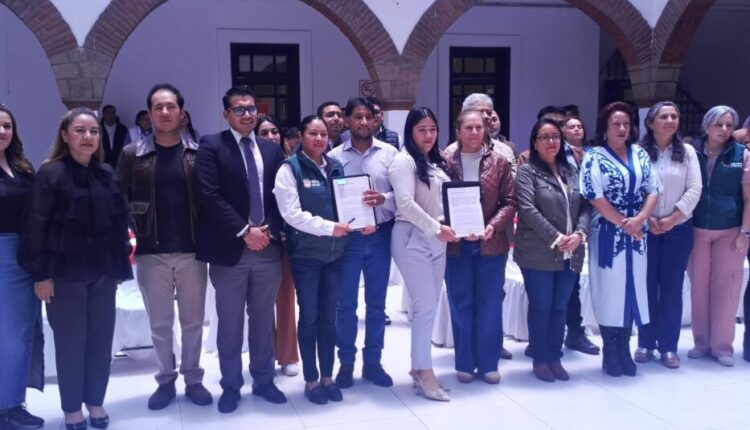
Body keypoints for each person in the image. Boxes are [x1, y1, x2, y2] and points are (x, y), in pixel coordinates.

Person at [18, 107, 132, 430]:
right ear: (65, 136)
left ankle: (95, 401)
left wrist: (118, 266)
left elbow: (119, 222)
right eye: (80, 131)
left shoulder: (106, 173)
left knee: (100, 341)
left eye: (93, 131)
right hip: (64, 275)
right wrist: (41, 274)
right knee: (71, 344)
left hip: (102, 274)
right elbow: (35, 226)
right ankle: (71, 408)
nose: (87, 137)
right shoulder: (50, 174)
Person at [116, 84, 212, 410]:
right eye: (158, 107)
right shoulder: (132, 154)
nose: (165, 112)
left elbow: (209, 198)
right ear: (149, 113)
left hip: (192, 251)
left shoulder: (198, 152)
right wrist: (130, 233)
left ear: (181, 112)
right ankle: (165, 379)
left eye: (171, 106)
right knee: (159, 324)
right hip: (150, 251)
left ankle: (194, 378)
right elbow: (119, 199)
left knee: (193, 323)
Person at [195, 85, 287, 413]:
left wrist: (268, 230)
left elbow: (282, 195)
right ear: (226, 114)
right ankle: (231, 385)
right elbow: (208, 195)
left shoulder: (271, 149)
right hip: (229, 249)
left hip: (267, 248)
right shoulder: (211, 145)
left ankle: (263, 380)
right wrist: (245, 231)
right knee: (230, 323)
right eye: (239, 109)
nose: (247, 114)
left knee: (262, 320)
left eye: (251, 109)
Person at [273, 115, 352, 405]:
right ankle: (311, 379)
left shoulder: (335, 166)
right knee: (309, 316)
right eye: (313, 134)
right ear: (301, 137)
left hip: (335, 255)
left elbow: (346, 205)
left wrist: (361, 219)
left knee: (329, 318)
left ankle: (328, 377)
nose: (319, 139)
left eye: (323, 134)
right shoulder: (289, 169)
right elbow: (291, 214)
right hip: (306, 256)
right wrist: (330, 228)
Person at [579, 101, 661, 377]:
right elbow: (594, 195)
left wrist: (640, 219)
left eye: (626, 123)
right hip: (608, 233)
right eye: (616, 124)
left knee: (632, 289)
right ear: (605, 127)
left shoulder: (640, 153)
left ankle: (624, 347)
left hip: (637, 234)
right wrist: (625, 224)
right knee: (610, 291)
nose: (622, 128)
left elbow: (653, 190)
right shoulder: (594, 156)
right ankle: (610, 350)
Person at [328, 97, 399, 389]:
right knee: (345, 305)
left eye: (369, 116)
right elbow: (329, 201)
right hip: (349, 239)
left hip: (380, 236)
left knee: (377, 304)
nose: (364, 122)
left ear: (377, 120)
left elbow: (404, 195)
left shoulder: (391, 154)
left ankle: (373, 363)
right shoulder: (333, 157)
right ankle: (346, 363)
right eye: (358, 116)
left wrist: (384, 199)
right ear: (347, 121)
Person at [444, 109, 516, 384]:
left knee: (490, 303)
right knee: (461, 302)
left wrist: (493, 226)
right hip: (456, 245)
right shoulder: (445, 162)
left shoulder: (499, 162)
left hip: (490, 243)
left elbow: (510, 201)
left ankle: (488, 363)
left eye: (479, 127)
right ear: (458, 132)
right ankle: (464, 362)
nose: (475, 132)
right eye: (469, 128)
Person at [515, 118, 589, 382]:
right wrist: (557, 238)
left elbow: (586, 205)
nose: (550, 142)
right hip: (538, 252)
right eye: (544, 137)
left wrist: (580, 234)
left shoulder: (571, 170)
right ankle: (540, 359)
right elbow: (527, 209)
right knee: (542, 307)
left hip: (572, 250)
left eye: (555, 137)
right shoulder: (527, 172)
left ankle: (555, 357)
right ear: (534, 143)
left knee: (560, 307)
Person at [389, 107, 455, 401]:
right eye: (421, 130)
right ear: (410, 132)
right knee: (425, 305)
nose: (428, 135)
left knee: (428, 305)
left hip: (437, 238)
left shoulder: (435, 161)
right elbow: (405, 204)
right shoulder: (403, 161)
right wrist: (435, 228)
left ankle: (419, 366)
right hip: (412, 237)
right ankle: (424, 371)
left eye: (432, 129)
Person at [635, 102, 701, 369]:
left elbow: (695, 188)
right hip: (645, 228)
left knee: (672, 289)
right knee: (647, 286)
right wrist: (647, 218)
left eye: (674, 116)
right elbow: (634, 188)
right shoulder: (638, 152)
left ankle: (669, 346)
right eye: (664, 116)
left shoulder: (687, 152)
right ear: (651, 123)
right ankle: (645, 343)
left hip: (679, 228)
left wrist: (673, 218)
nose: (670, 120)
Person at [688, 105, 750, 367]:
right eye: (718, 124)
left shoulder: (741, 154)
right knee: (699, 288)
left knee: (727, 290)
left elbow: (748, 198)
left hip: (730, 231)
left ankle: (722, 346)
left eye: (729, 125)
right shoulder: (691, 152)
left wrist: (745, 232)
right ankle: (701, 342)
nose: (724, 129)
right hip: (697, 230)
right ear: (706, 126)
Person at [0, 105, 45, 430]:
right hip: (3, 254)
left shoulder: (20, 166)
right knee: (11, 336)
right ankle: (7, 407)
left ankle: (12, 402)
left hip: (26, 253)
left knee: (22, 333)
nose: (2, 131)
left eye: (6, 125)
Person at [253, 114, 300, 377]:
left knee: (285, 296)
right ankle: (266, 352)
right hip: (259, 236)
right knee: (260, 301)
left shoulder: (292, 162)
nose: (271, 137)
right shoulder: (250, 162)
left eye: (274, 132)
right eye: (264, 133)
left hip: (286, 238)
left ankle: (288, 355)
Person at [559, 115, 600, 356]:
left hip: (590, 221)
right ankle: (552, 337)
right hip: (561, 227)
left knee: (574, 281)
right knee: (562, 285)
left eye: (579, 126)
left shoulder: (593, 154)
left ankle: (576, 332)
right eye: (571, 126)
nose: (576, 129)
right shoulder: (556, 155)